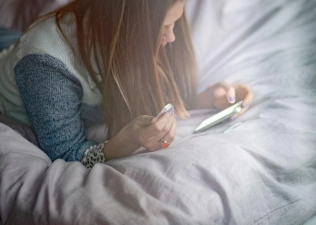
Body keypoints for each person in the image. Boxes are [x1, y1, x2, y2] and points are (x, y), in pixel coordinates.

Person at [0, 0, 254, 168]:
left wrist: (212, 97)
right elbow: (69, 153)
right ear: (128, 27)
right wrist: (128, 140)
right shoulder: (45, 63)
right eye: (164, 26)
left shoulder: (128, 38)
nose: (172, 36)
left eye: (175, 22)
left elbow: (163, 87)